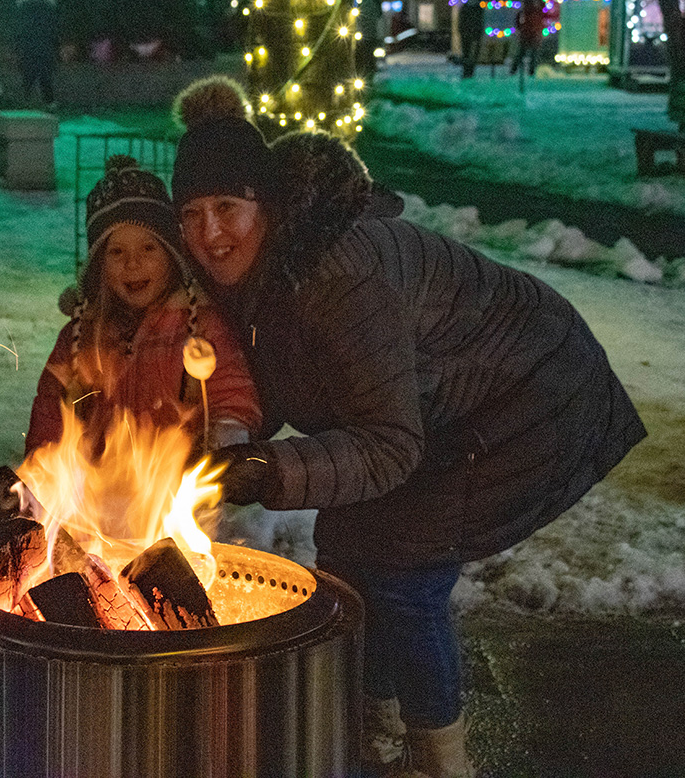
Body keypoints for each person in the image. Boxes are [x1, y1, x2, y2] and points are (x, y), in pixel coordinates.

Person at [169, 76, 646, 777]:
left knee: (404, 573)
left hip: (526, 393)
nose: (210, 232)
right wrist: (224, 434)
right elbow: (291, 377)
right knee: (347, 555)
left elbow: (392, 443)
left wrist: (272, 469)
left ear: (266, 206)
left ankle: (439, 759)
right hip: (428, 409)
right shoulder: (249, 276)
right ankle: (375, 723)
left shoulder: (340, 277)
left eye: (228, 207)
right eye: (192, 213)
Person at [26, 154, 260, 459]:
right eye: (117, 252)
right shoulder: (80, 337)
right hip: (98, 497)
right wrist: (44, 470)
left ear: (172, 256)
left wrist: (225, 439)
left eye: (148, 248)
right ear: (99, 266)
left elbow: (231, 393)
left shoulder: (202, 327)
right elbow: (50, 414)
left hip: (178, 492)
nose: (132, 263)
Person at [13, 0, 59, 109]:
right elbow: (54, 27)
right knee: (45, 76)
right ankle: (49, 103)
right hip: (44, 46)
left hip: (28, 46)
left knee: (28, 75)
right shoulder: (49, 7)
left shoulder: (24, 7)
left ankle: (26, 101)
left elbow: (19, 27)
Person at [510, 0, 545, 76]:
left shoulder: (528, 10)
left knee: (524, 54)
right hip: (528, 34)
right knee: (527, 54)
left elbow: (518, 19)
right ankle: (529, 71)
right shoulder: (533, 10)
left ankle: (516, 70)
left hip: (528, 34)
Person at [457, 0, 485, 79]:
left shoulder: (477, 9)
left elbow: (480, 22)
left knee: (472, 55)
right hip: (468, 36)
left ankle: (470, 72)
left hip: (474, 36)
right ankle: (466, 72)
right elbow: (461, 23)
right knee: (467, 55)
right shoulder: (468, 9)